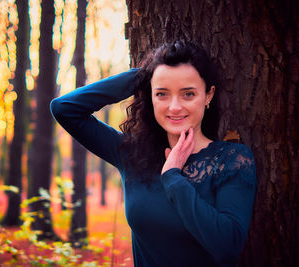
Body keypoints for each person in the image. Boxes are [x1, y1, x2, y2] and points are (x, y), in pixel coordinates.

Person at [50, 40, 257, 267]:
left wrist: (173, 177)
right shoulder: (132, 155)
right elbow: (65, 108)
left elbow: (228, 248)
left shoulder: (232, 160)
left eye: (188, 94)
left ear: (208, 96)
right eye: (162, 94)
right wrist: (144, 75)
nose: (174, 106)